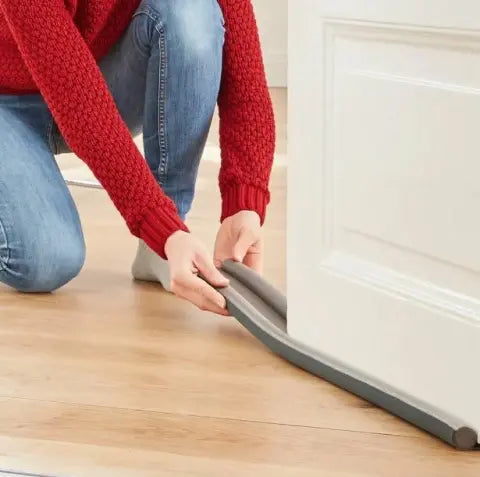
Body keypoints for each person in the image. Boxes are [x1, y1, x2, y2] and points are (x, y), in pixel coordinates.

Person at [0, 0, 275, 315]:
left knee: (192, 13)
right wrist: (158, 225)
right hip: (11, 99)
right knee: (45, 260)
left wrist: (244, 205)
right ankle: (168, 238)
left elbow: (245, 76)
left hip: (89, 72)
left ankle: (161, 249)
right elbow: (77, 101)